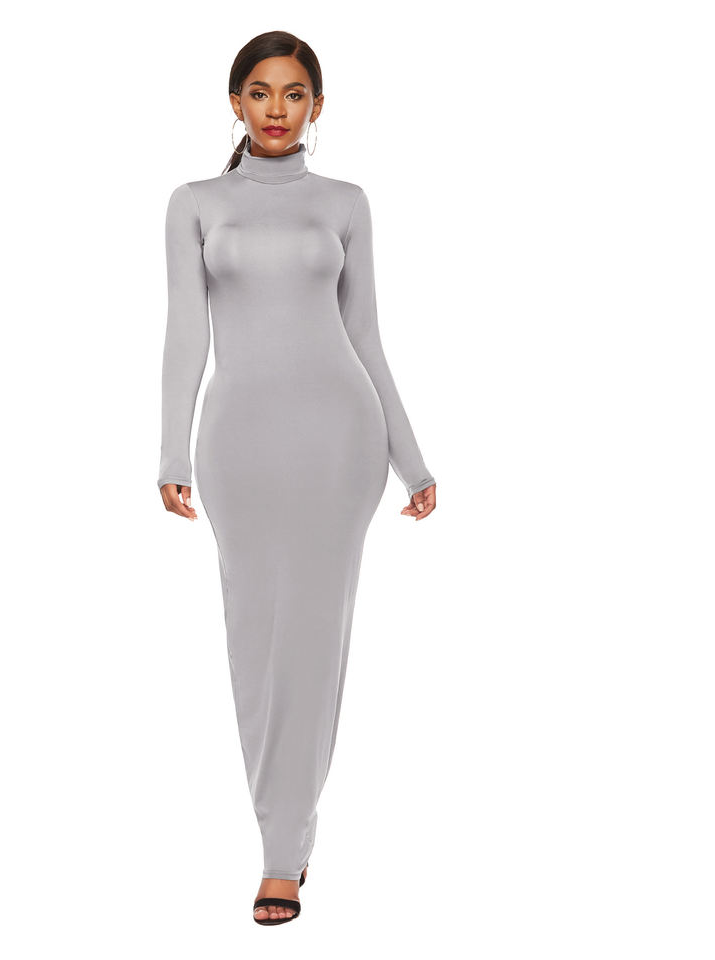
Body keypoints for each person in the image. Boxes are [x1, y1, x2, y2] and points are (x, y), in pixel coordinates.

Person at [157, 31, 438, 925]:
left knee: (312, 641)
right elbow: (184, 334)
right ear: (234, 102)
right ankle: (283, 824)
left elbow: (366, 337)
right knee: (252, 640)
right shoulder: (195, 203)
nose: (275, 108)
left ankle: (284, 850)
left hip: (338, 442)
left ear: (317, 105)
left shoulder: (346, 203)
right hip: (236, 446)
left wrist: (409, 457)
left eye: (292, 93)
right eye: (258, 91)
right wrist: (170, 452)